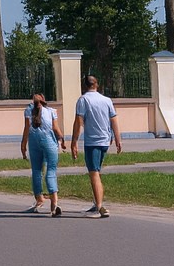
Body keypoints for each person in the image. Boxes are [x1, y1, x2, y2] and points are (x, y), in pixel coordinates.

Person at [69, 75, 122, 218]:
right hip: (105, 141)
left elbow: (78, 122)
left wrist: (74, 142)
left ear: (84, 86)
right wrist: (118, 139)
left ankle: (99, 207)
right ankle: (96, 202)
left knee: (94, 173)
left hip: (92, 142)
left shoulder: (83, 100)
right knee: (97, 171)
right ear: (96, 85)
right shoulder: (106, 100)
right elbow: (114, 119)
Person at [19, 92, 64, 216]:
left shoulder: (28, 111)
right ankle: (54, 203)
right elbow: (55, 128)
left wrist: (23, 145)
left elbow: (27, 128)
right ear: (44, 100)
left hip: (33, 142)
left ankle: (39, 198)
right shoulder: (51, 111)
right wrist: (62, 139)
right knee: (51, 170)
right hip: (49, 141)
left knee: (36, 171)